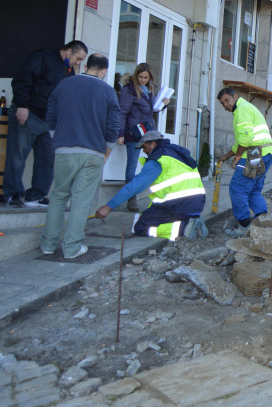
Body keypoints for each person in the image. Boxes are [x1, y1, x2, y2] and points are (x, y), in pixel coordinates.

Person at [41, 53, 119, 259]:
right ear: (104, 71)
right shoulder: (108, 91)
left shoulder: (64, 84)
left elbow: (51, 113)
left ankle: (48, 245)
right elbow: (113, 125)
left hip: (64, 149)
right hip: (93, 151)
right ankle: (71, 247)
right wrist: (108, 149)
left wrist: (55, 136)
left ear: (86, 66)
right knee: (81, 200)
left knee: (58, 196)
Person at [4, 40, 88, 208]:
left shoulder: (69, 72)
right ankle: (12, 194)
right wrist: (22, 105)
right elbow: (22, 79)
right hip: (28, 114)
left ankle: (36, 195)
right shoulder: (43, 57)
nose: (78, 63)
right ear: (69, 51)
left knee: (47, 159)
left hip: (48, 122)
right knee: (17, 157)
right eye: (77, 58)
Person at [95, 131, 207, 239]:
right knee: (145, 216)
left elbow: (134, 186)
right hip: (194, 204)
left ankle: (184, 228)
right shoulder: (176, 153)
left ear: (153, 144)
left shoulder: (158, 159)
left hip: (178, 206)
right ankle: (191, 220)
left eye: (144, 147)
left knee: (141, 227)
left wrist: (108, 207)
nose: (144, 151)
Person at [216, 88, 272, 237]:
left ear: (235, 96)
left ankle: (244, 225)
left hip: (255, 154)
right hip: (267, 152)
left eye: (227, 100)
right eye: (222, 103)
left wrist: (236, 158)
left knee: (238, 188)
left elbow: (245, 139)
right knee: (254, 188)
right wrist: (227, 155)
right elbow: (240, 143)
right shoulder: (245, 108)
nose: (225, 105)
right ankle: (262, 219)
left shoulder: (242, 110)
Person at [117, 63, 169, 212]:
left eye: (146, 77)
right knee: (132, 165)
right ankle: (130, 198)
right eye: (140, 77)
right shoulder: (129, 90)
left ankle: (157, 193)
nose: (143, 80)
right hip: (134, 132)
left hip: (148, 133)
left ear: (150, 77)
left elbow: (151, 110)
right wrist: (120, 134)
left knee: (154, 163)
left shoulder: (149, 90)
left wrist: (164, 104)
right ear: (136, 75)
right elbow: (122, 113)